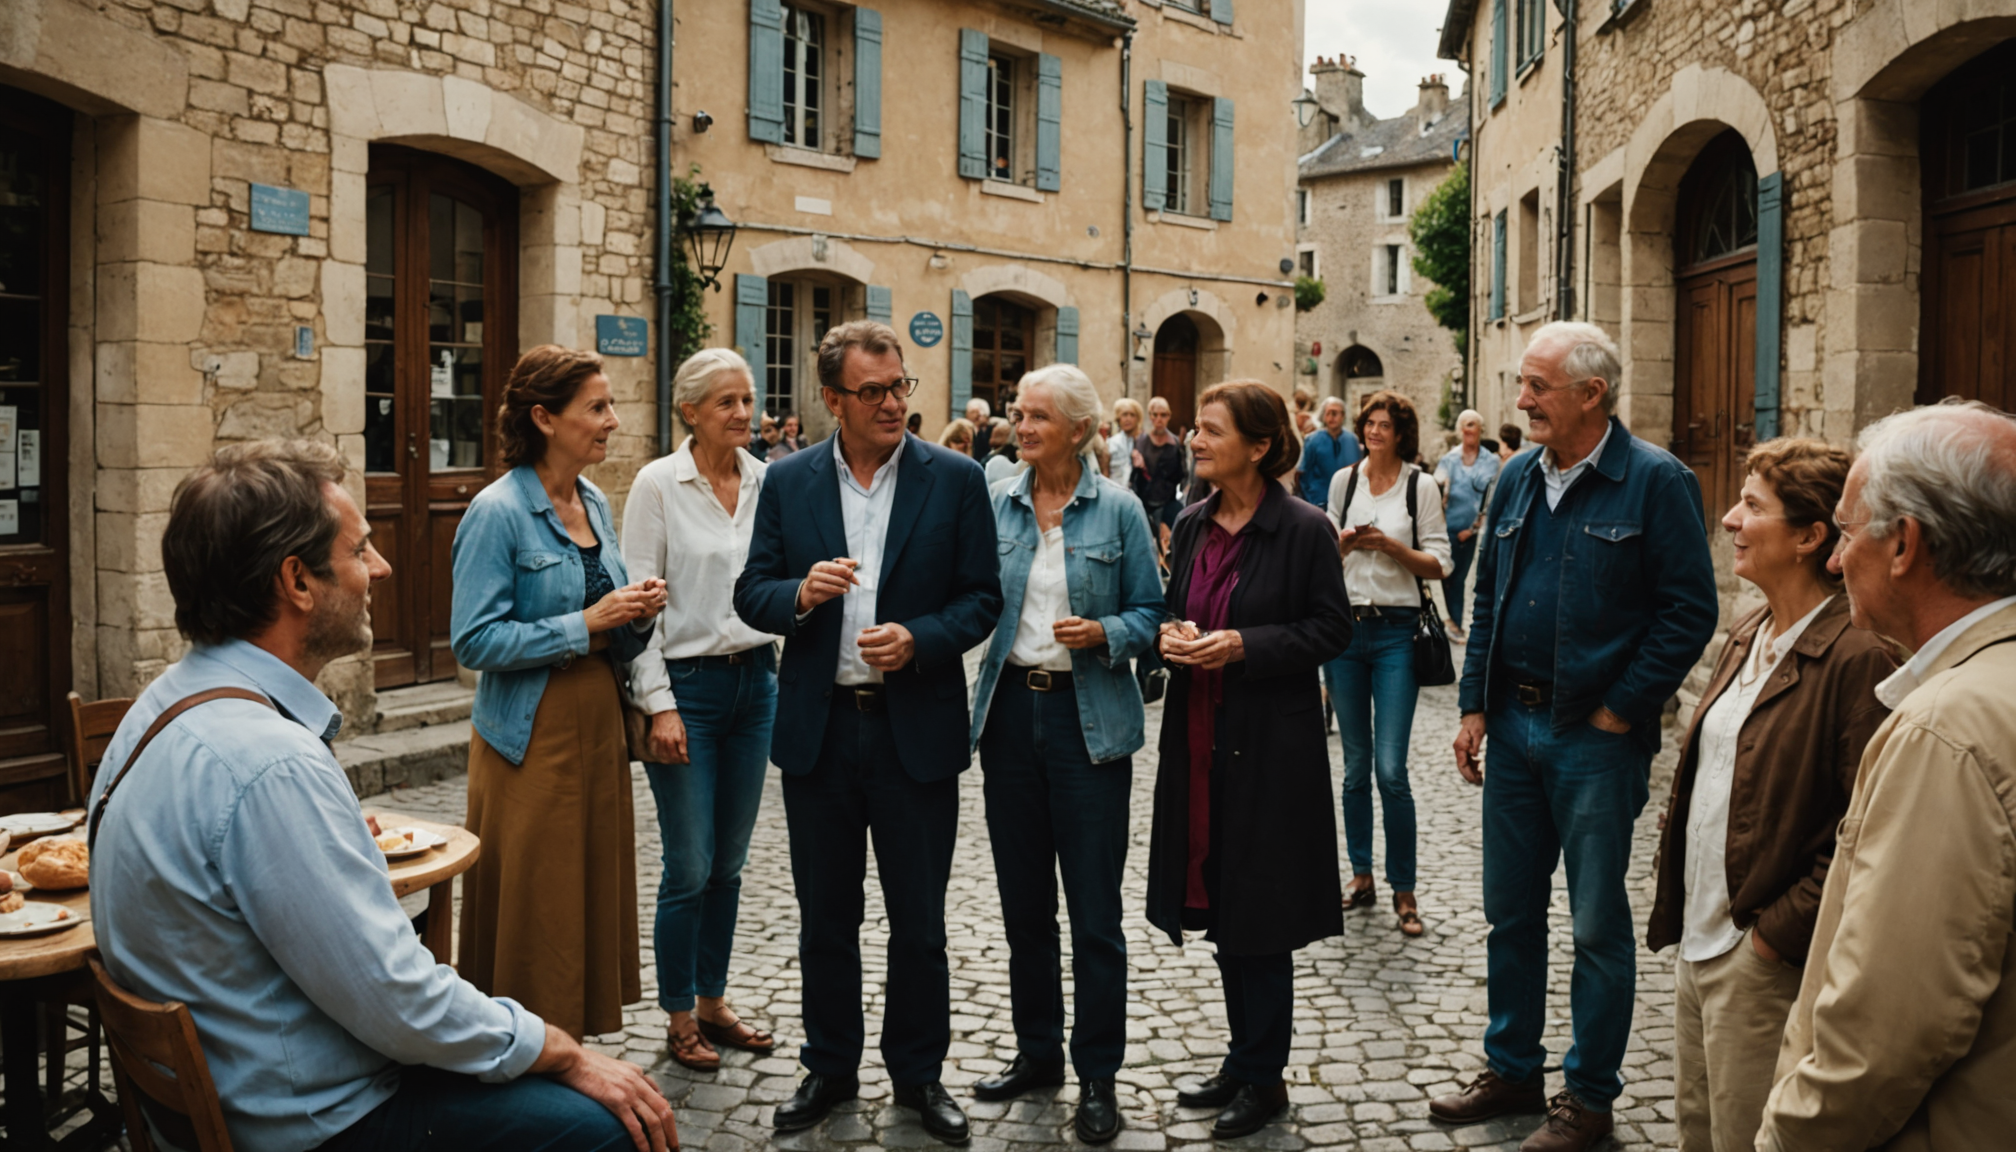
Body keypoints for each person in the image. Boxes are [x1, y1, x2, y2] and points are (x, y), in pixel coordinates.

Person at [91, 440, 676, 1152]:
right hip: (313, 1122)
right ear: (297, 583)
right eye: (360, 551)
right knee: (610, 1130)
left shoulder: (161, 703)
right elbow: (396, 1000)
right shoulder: (268, 761)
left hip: (230, 1090)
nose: (382, 567)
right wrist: (559, 1048)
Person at [1434, 322, 1717, 1152]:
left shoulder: (1657, 482)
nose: (1520, 403)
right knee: (1509, 914)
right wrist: (1474, 706)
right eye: (1522, 385)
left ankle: (1589, 1099)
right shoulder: (1520, 474)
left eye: (1536, 388)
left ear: (1592, 394)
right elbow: (1488, 594)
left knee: (1596, 925)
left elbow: (1688, 612)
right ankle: (1513, 1067)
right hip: (1512, 724)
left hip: (1593, 739)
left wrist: (1621, 710)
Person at [733, 320, 1004, 1144]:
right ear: (832, 399)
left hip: (912, 729)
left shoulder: (955, 479)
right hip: (821, 731)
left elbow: (983, 598)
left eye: (900, 387)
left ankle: (919, 1075)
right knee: (826, 916)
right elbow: (753, 594)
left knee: (918, 920)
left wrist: (921, 639)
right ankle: (829, 1065)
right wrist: (801, 597)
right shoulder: (789, 482)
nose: (892, 404)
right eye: (873, 391)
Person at [1757, 401, 2016, 1150]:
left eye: (1843, 531)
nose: (1835, 561)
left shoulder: (1950, 729)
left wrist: (1784, 1141)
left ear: (1903, 544)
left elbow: (1881, 1035)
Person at [1642, 439, 1898, 1152]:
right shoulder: (1750, 631)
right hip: (1703, 940)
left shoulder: (1859, 654)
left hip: (1761, 958)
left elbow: (1868, 829)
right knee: (1699, 1132)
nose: (1728, 519)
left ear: (1811, 537)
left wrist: (1770, 941)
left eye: (1752, 506)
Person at [1146, 382, 1352, 1140]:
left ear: (1258, 447)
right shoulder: (1194, 520)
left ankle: (1264, 1078)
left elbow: (1332, 631)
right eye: (1193, 429)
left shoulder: (1303, 528)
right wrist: (1169, 638)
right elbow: (1176, 608)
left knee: (1259, 912)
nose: (1194, 442)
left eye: (1209, 431)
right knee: (1221, 901)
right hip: (1199, 739)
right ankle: (1242, 1057)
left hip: (1272, 747)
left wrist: (1242, 645)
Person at [964, 365, 1164, 1144]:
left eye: (1038, 416)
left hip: (1091, 726)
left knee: (1094, 912)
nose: (1023, 426)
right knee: (1023, 906)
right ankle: (1037, 1051)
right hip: (1012, 714)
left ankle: (1099, 1076)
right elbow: (970, 591)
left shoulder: (1117, 512)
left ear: (1079, 429)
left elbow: (1152, 610)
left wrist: (1106, 634)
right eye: (1019, 413)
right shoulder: (997, 499)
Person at [452, 345, 668, 1040]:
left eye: (609, 405)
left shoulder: (598, 501)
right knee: (537, 903)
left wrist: (636, 613)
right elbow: (474, 642)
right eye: (597, 408)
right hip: (528, 733)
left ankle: (573, 1042)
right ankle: (525, 1050)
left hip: (598, 720)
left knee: (587, 892)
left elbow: (606, 616)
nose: (613, 420)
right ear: (544, 418)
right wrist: (584, 623)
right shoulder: (497, 512)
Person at [621, 349, 784, 1073]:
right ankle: (679, 1013)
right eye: (727, 402)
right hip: (687, 689)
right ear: (690, 411)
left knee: (731, 862)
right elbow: (638, 611)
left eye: (748, 400)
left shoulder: (767, 483)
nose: (744, 414)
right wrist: (658, 705)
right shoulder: (659, 484)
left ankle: (715, 1001)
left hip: (757, 683)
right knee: (688, 863)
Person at [1325, 391, 1452, 937]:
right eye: (1369, 423)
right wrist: (1348, 545)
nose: (1375, 431)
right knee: (1354, 768)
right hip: (1345, 633)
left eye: (1385, 425)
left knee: (1390, 770)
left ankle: (1405, 888)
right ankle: (1360, 875)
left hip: (1399, 633)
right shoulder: (1343, 482)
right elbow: (1321, 550)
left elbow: (1441, 562)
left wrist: (1391, 548)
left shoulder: (1419, 485)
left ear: (1402, 433)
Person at [1435, 409, 1502, 641]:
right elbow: (1436, 489)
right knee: (1445, 574)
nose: (1468, 429)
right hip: (1446, 527)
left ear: (1480, 430)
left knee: (1459, 578)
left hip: (1470, 529)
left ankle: (1456, 624)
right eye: (1464, 425)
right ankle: (1451, 623)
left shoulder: (1491, 461)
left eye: (1472, 424)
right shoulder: (1449, 459)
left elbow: (1490, 498)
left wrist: (1473, 528)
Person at [1131, 396, 1185, 553]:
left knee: (1170, 546)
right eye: (1155, 415)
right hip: (1144, 502)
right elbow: (1134, 478)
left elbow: (1182, 475)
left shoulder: (1174, 443)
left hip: (1167, 502)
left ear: (1169, 416)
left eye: (1163, 415)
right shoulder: (1141, 440)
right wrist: (1137, 464)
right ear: (1150, 416)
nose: (1159, 419)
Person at [1298, 395, 1364, 506]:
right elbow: (1302, 473)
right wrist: (1309, 498)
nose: (1331, 417)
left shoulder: (1352, 440)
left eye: (1335, 413)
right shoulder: (1312, 440)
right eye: (1327, 413)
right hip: (1318, 502)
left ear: (1343, 415)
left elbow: (1359, 471)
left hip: (1347, 501)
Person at [1107, 397, 1143, 491]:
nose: (1128, 419)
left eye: (1132, 415)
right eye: (1124, 415)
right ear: (1118, 418)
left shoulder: (1143, 441)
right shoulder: (1112, 443)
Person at [983, 415, 1020, 486]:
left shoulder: (1009, 453)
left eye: (996, 436)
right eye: (992, 435)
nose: (991, 439)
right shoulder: (993, 451)